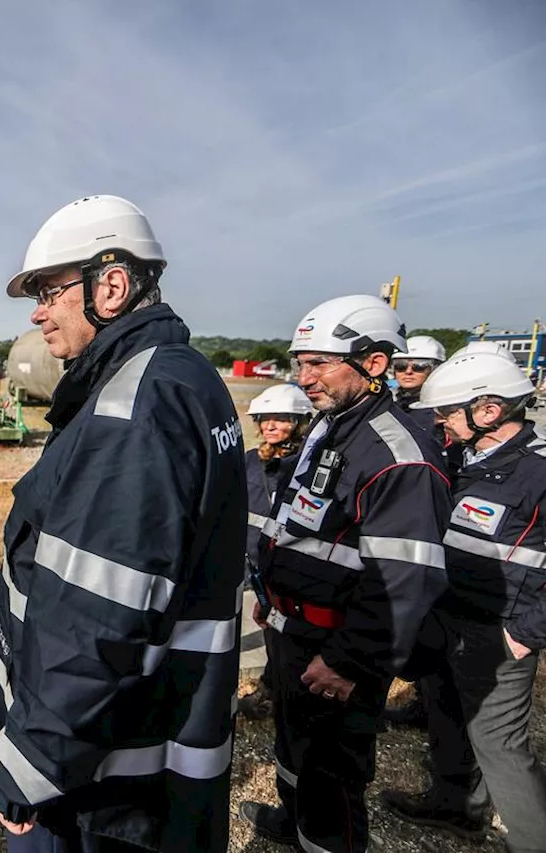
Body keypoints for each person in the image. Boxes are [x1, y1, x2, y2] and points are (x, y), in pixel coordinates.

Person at [0, 195, 247, 852]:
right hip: (134, 750)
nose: (37, 311)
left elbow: (103, 617)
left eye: (47, 290)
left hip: (97, 782)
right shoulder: (180, 378)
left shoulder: (137, 408)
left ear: (112, 285)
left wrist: (30, 763)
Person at [238, 295, 451, 853]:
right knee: (292, 748)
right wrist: (271, 589)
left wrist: (348, 660)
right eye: (299, 362)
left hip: (335, 646)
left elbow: (405, 579)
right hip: (292, 626)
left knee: (332, 773)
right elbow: (300, 524)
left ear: (374, 364)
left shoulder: (397, 454)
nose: (303, 378)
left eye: (319, 363)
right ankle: (295, 823)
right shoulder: (331, 428)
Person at [379, 352, 546, 853]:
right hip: (446, 617)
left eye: (449, 412)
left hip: (500, 631)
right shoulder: (461, 459)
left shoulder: (538, 475)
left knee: (499, 747)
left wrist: (526, 634)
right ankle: (456, 807)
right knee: (445, 716)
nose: (439, 422)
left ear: (489, 410)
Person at [380, 334, 447, 729]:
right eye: (401, 366)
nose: (407, 373)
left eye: (417, 367)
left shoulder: (439, 415)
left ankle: (428, 704)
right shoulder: (397, 405)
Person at [237, 384, 312, 721]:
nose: (270, 425)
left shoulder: (309, 466)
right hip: (257, 565)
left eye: (280, 419)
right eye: (265, 419)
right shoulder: (250, 462)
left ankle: (290, 696)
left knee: (293, 637)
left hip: (293, 566)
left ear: (298, 422)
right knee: (271, 628)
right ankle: (274, 689)